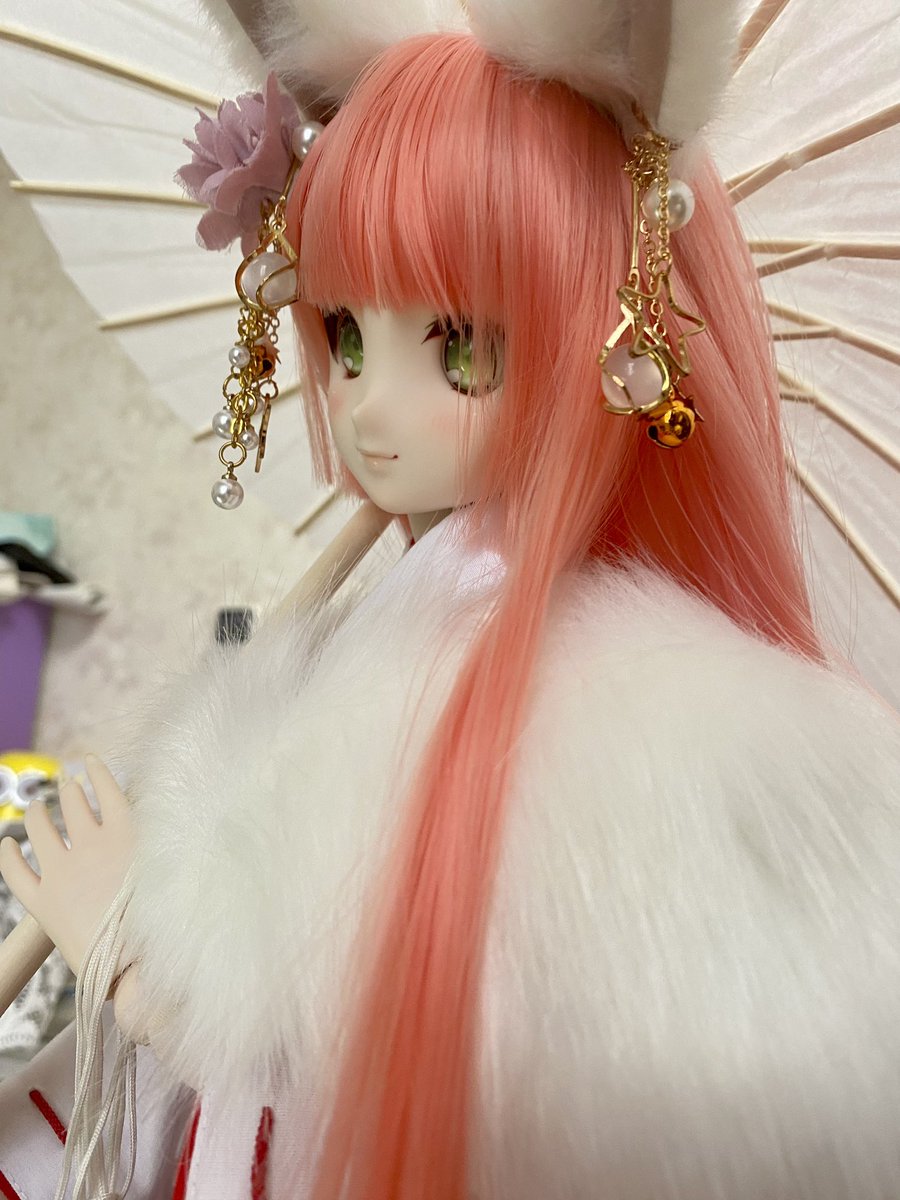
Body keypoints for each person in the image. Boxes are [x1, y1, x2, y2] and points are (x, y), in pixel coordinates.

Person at [1, 11, 900, 1200]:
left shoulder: (614, 733)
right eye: (345, 335)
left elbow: (372, 1104)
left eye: (461, 349)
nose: (368, 408)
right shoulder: (405, 625)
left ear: (608, 343)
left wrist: (129, 959)